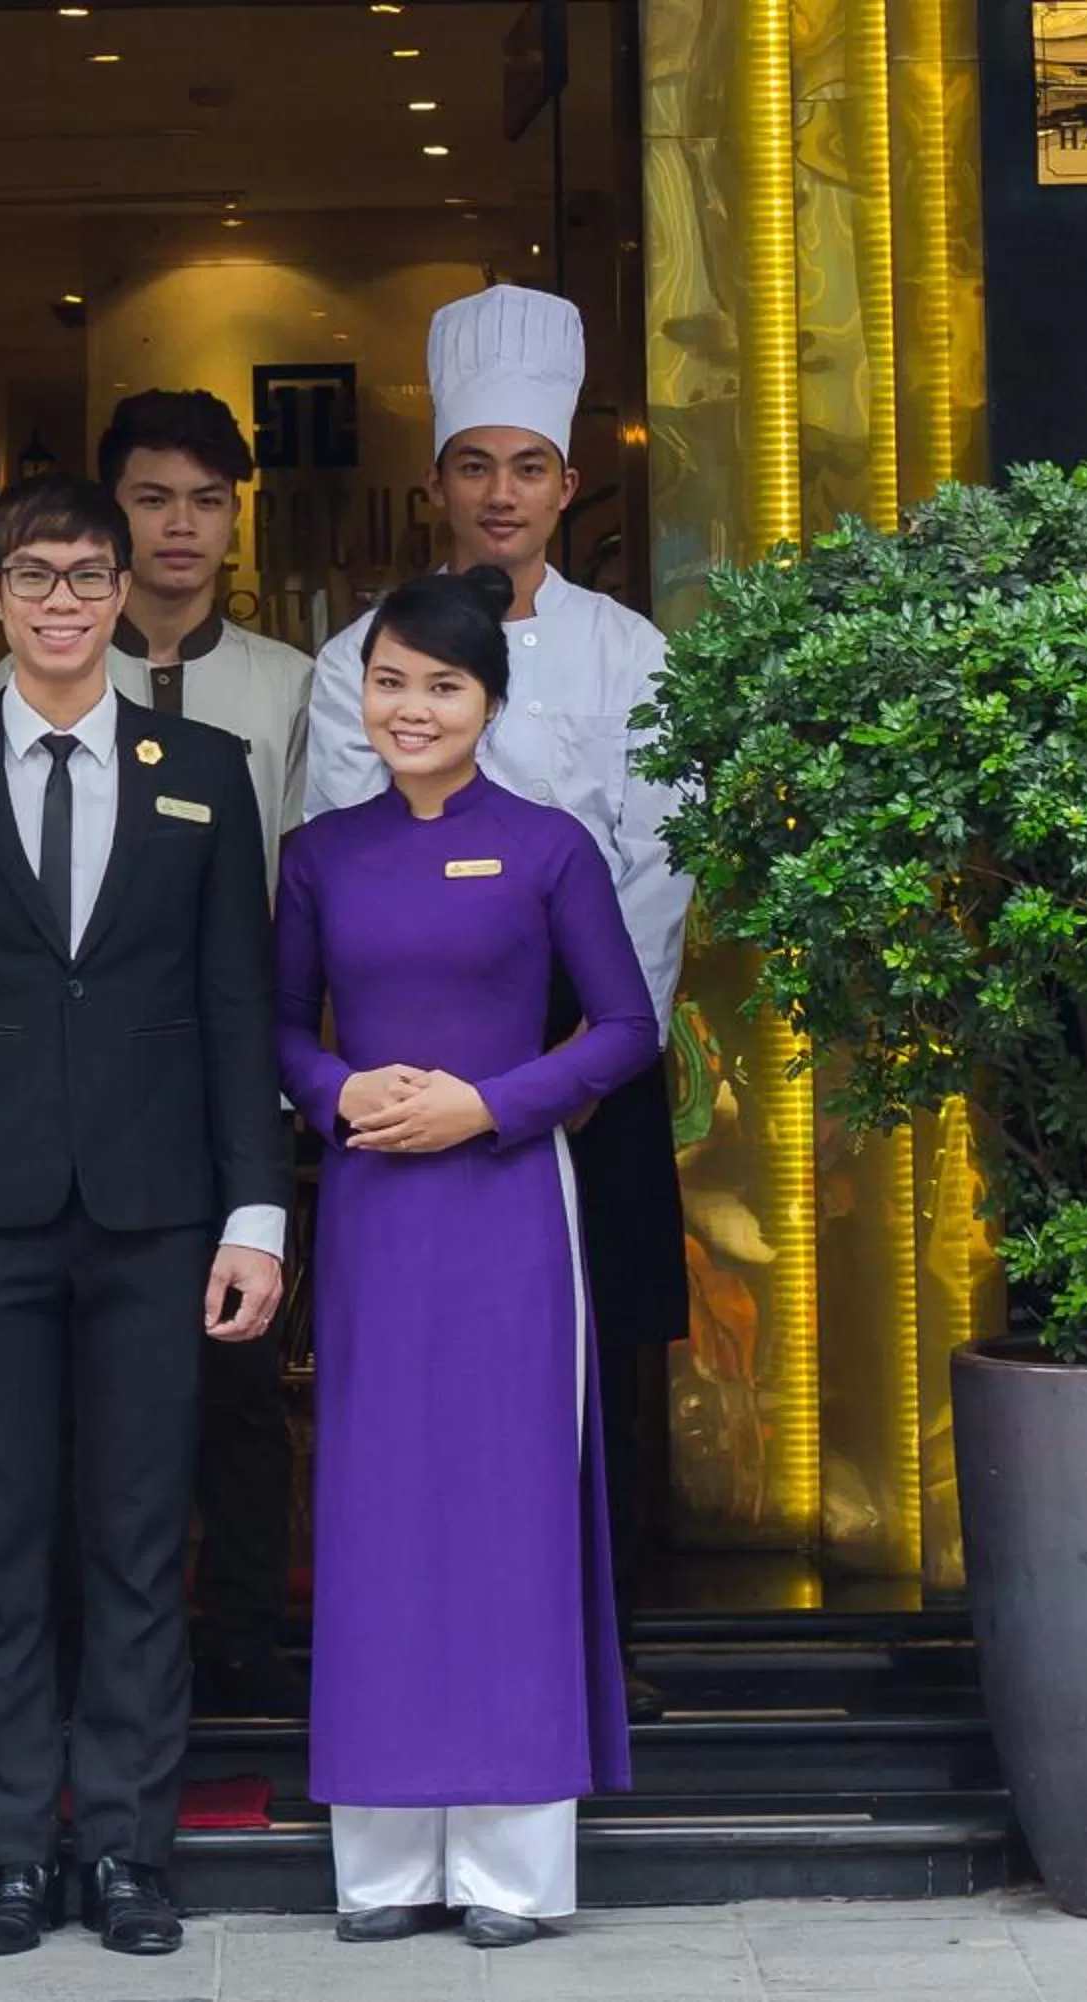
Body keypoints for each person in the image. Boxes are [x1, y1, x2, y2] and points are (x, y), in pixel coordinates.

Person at [0, 474, 288, 1958]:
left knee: (131, 1536)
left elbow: (239, 1001)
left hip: (161, 1210)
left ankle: (123, 1847)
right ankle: (7, 1854)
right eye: (36, 575)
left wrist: (257, 1211)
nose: (64, 599)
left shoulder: (207, 768)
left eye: (89, 576)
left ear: (122, 595)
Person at [301, 286, 692, 1714]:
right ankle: (425, 1651)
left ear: (570, 485)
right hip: (410, 1079)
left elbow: (662, 860)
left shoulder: (631, 652)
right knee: (418, 1388)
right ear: (439, 484)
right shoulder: (364, 657)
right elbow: (331, 858)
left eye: (530, 466)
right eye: (477, 465)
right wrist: (405, 1075)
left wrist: (570, 1057)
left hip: (585, 1063)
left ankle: (604, 1645)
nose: (502, 494)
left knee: (602, 1362)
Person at [277, 566, 656, 1948]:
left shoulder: (551, 844)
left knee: (505, 1509)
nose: (412, 706)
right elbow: (280, 1028)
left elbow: (624, 1028)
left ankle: (506, 1866)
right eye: (391, 680)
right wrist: (339, 1094)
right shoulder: (320, 854)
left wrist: (490, 1103)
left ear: (490, 700)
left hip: (508, 1203)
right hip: (377, 1202)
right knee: (376, 1508)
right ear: (361, 695)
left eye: (443, 683)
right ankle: (381, 1862)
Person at [0, 389, 315, 1717]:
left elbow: (307, 884)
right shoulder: (40, 662)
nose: (181, 526)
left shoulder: (292, 683)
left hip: (234, 1074)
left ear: (238, 518)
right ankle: (86, 1648)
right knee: (78, 1412)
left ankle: (241, 1636)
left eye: (207, 500)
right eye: (152, 498)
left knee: (239, 1381)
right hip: (74, 1095)